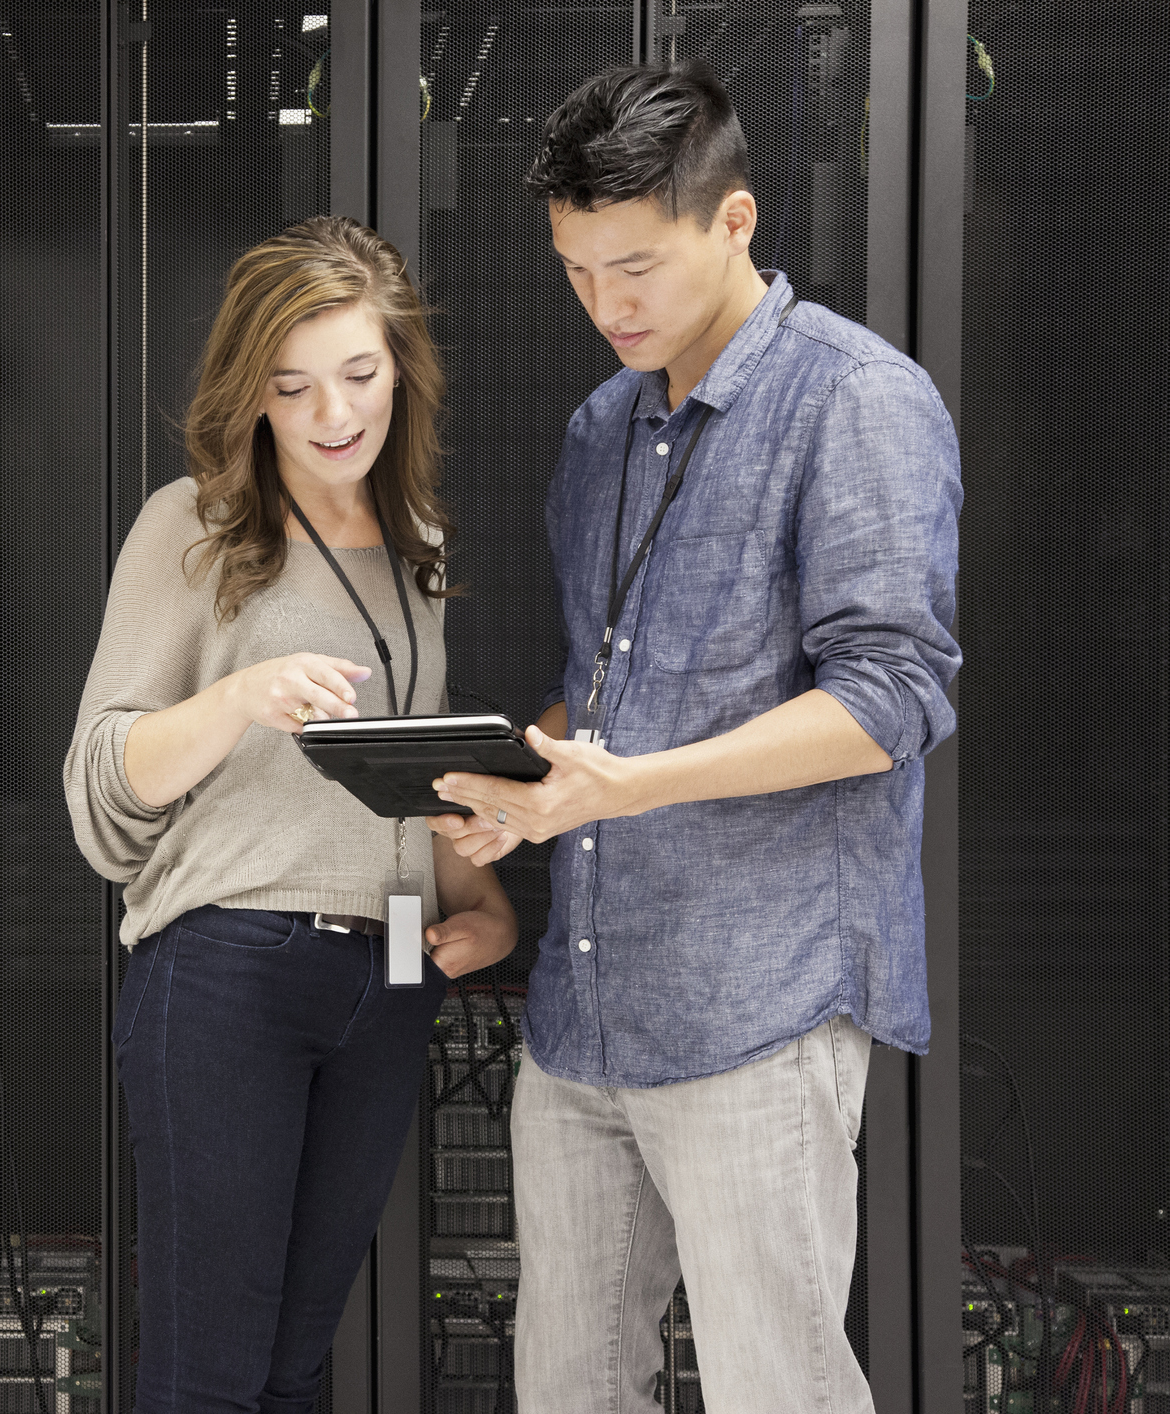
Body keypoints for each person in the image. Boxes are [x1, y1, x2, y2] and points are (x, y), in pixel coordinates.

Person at [425, 62, 962, 1412]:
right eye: (574, 271)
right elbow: (600, 686)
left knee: (776, 1390)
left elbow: (891, 697)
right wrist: (524, 784)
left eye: (636, 267)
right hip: (583, 1019)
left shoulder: (856, 401)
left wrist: (629, 786)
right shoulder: (601, 429)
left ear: (735, 222)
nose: (606, 305)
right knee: (566, 1391)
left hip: (758, 1010)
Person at [64, 215, 517, 1411]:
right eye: (294, 384)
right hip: (229, 968)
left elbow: (403, 799)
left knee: (297, 1368)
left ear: (400, 370)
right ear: (251, 390)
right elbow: (100, 781)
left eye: (360, 375)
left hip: (395, 976)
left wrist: (484, 907)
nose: (333, 414)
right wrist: (239, 700)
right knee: (208, 1377)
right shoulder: (194, 525)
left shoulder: (417, 545)